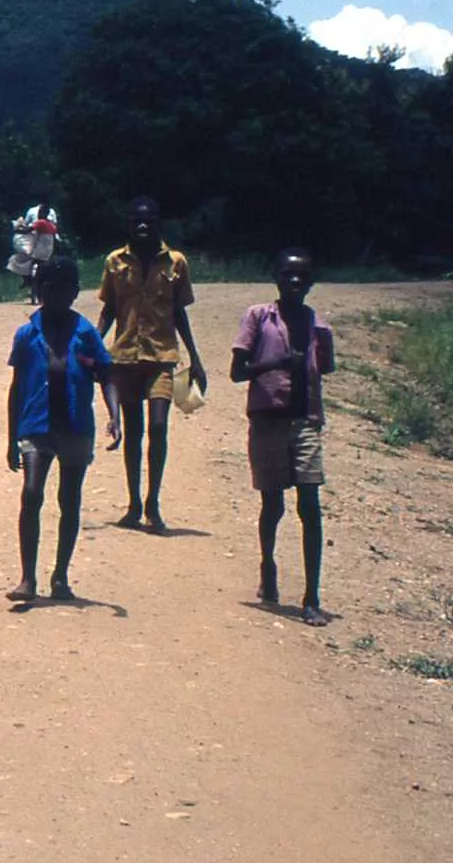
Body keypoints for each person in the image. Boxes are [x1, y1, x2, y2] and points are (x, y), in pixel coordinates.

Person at [6, 257, 121, 603]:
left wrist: (115, 415)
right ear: (40, 290)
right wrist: (11, 438)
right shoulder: (27, 334)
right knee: (31, 493)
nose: (55, 296)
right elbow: (16, 388)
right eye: (48, 289)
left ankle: (60, 576)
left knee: (69, 501)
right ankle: (28, 577)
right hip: (36, 425)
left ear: (74, 292)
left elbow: (105, 375)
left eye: (63, 290)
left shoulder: (85, 333)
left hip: (75, 427)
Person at [231, 249, 336, 628]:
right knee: (272, 505)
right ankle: (268, 565)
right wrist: (276, 364)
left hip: (304, 421)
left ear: (311, 282)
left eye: (302, 277)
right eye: (289, 276)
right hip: (267, 421)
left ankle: (311, 597)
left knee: (310, 505)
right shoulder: (259, 317)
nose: (295, 282)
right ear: (276, 278)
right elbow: (237, 372)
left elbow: (325, 366)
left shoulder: (316, 325)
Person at [96, 196, 205, 533]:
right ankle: (133, 503)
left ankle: (153, 502)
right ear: (129, 223)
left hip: (161, 357)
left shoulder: (175, 263)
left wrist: (196, 359)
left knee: (158, 427)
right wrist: (91, 344)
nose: (142, 226)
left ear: (159, 222)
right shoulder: (115, 262)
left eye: (149, 220)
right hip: (125, 356)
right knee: (133, 432)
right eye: (136, 220)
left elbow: (180, 312)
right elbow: (109, 309)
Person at [7, 203, 60, 304]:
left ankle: (29, 284)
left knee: (30, 268)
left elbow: (28, 230)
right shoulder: (51, 225)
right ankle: (41, 295)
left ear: (44, 213)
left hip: (39, 251)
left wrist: (17, 230)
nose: (39, 214)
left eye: (40, 212)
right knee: (43, 271)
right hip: (48, 252)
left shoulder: (41, 223)